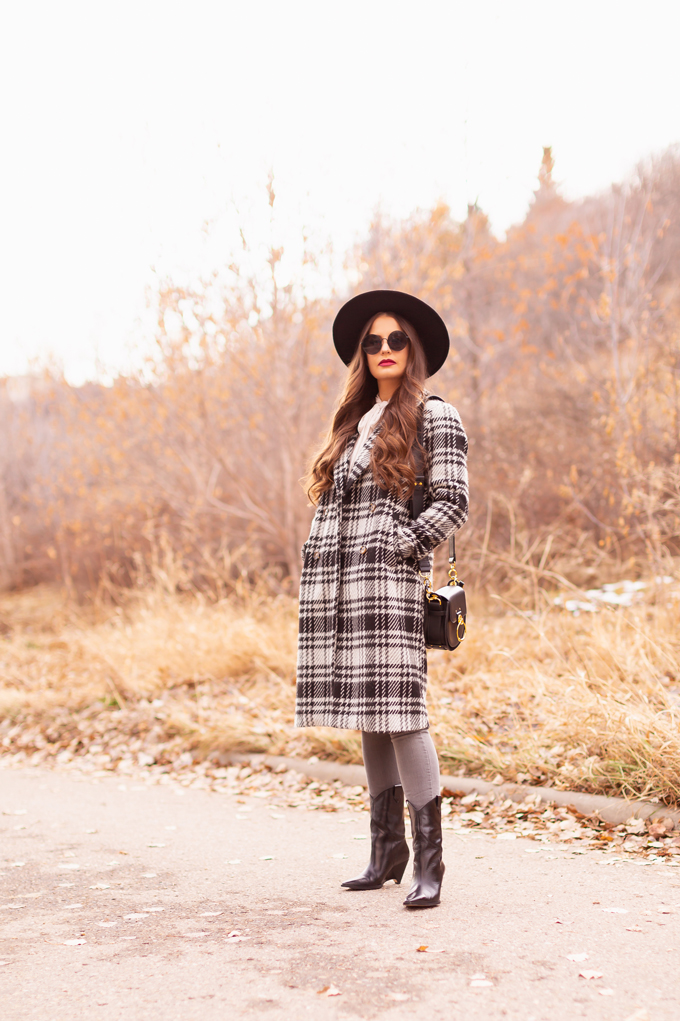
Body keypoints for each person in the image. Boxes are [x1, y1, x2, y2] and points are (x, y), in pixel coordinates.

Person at [296, 289, 469, 908]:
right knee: (369, 716)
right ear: (361, 355)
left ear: (413, 348)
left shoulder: (435, 415)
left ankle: (429, 864)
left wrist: (400, 544)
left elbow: (452, 501)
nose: (385, 349)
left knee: (403, 715)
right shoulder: (354, 422)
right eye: (373, 342)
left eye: (397, 340)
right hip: (338, 592)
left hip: (390, 587)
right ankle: (385, 852)